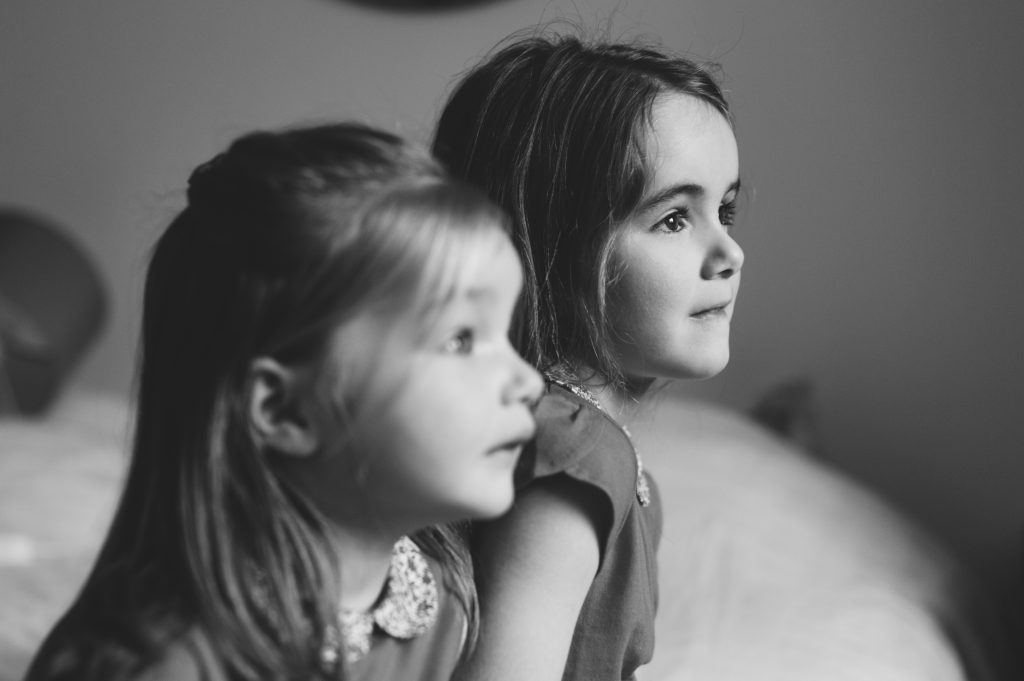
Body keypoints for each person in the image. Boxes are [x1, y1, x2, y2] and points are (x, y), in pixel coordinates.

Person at [25, 122, 543, 681]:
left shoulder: (442, 598)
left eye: (505, 335)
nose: (528, 382)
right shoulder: (156, 666)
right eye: (460, 339)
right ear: (285, 411)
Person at [432, 31, 745, 681]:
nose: (729, 254)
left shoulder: (584, 448)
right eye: (673, 220)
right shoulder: (575, 455)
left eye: (726, 209)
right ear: (555, 240)